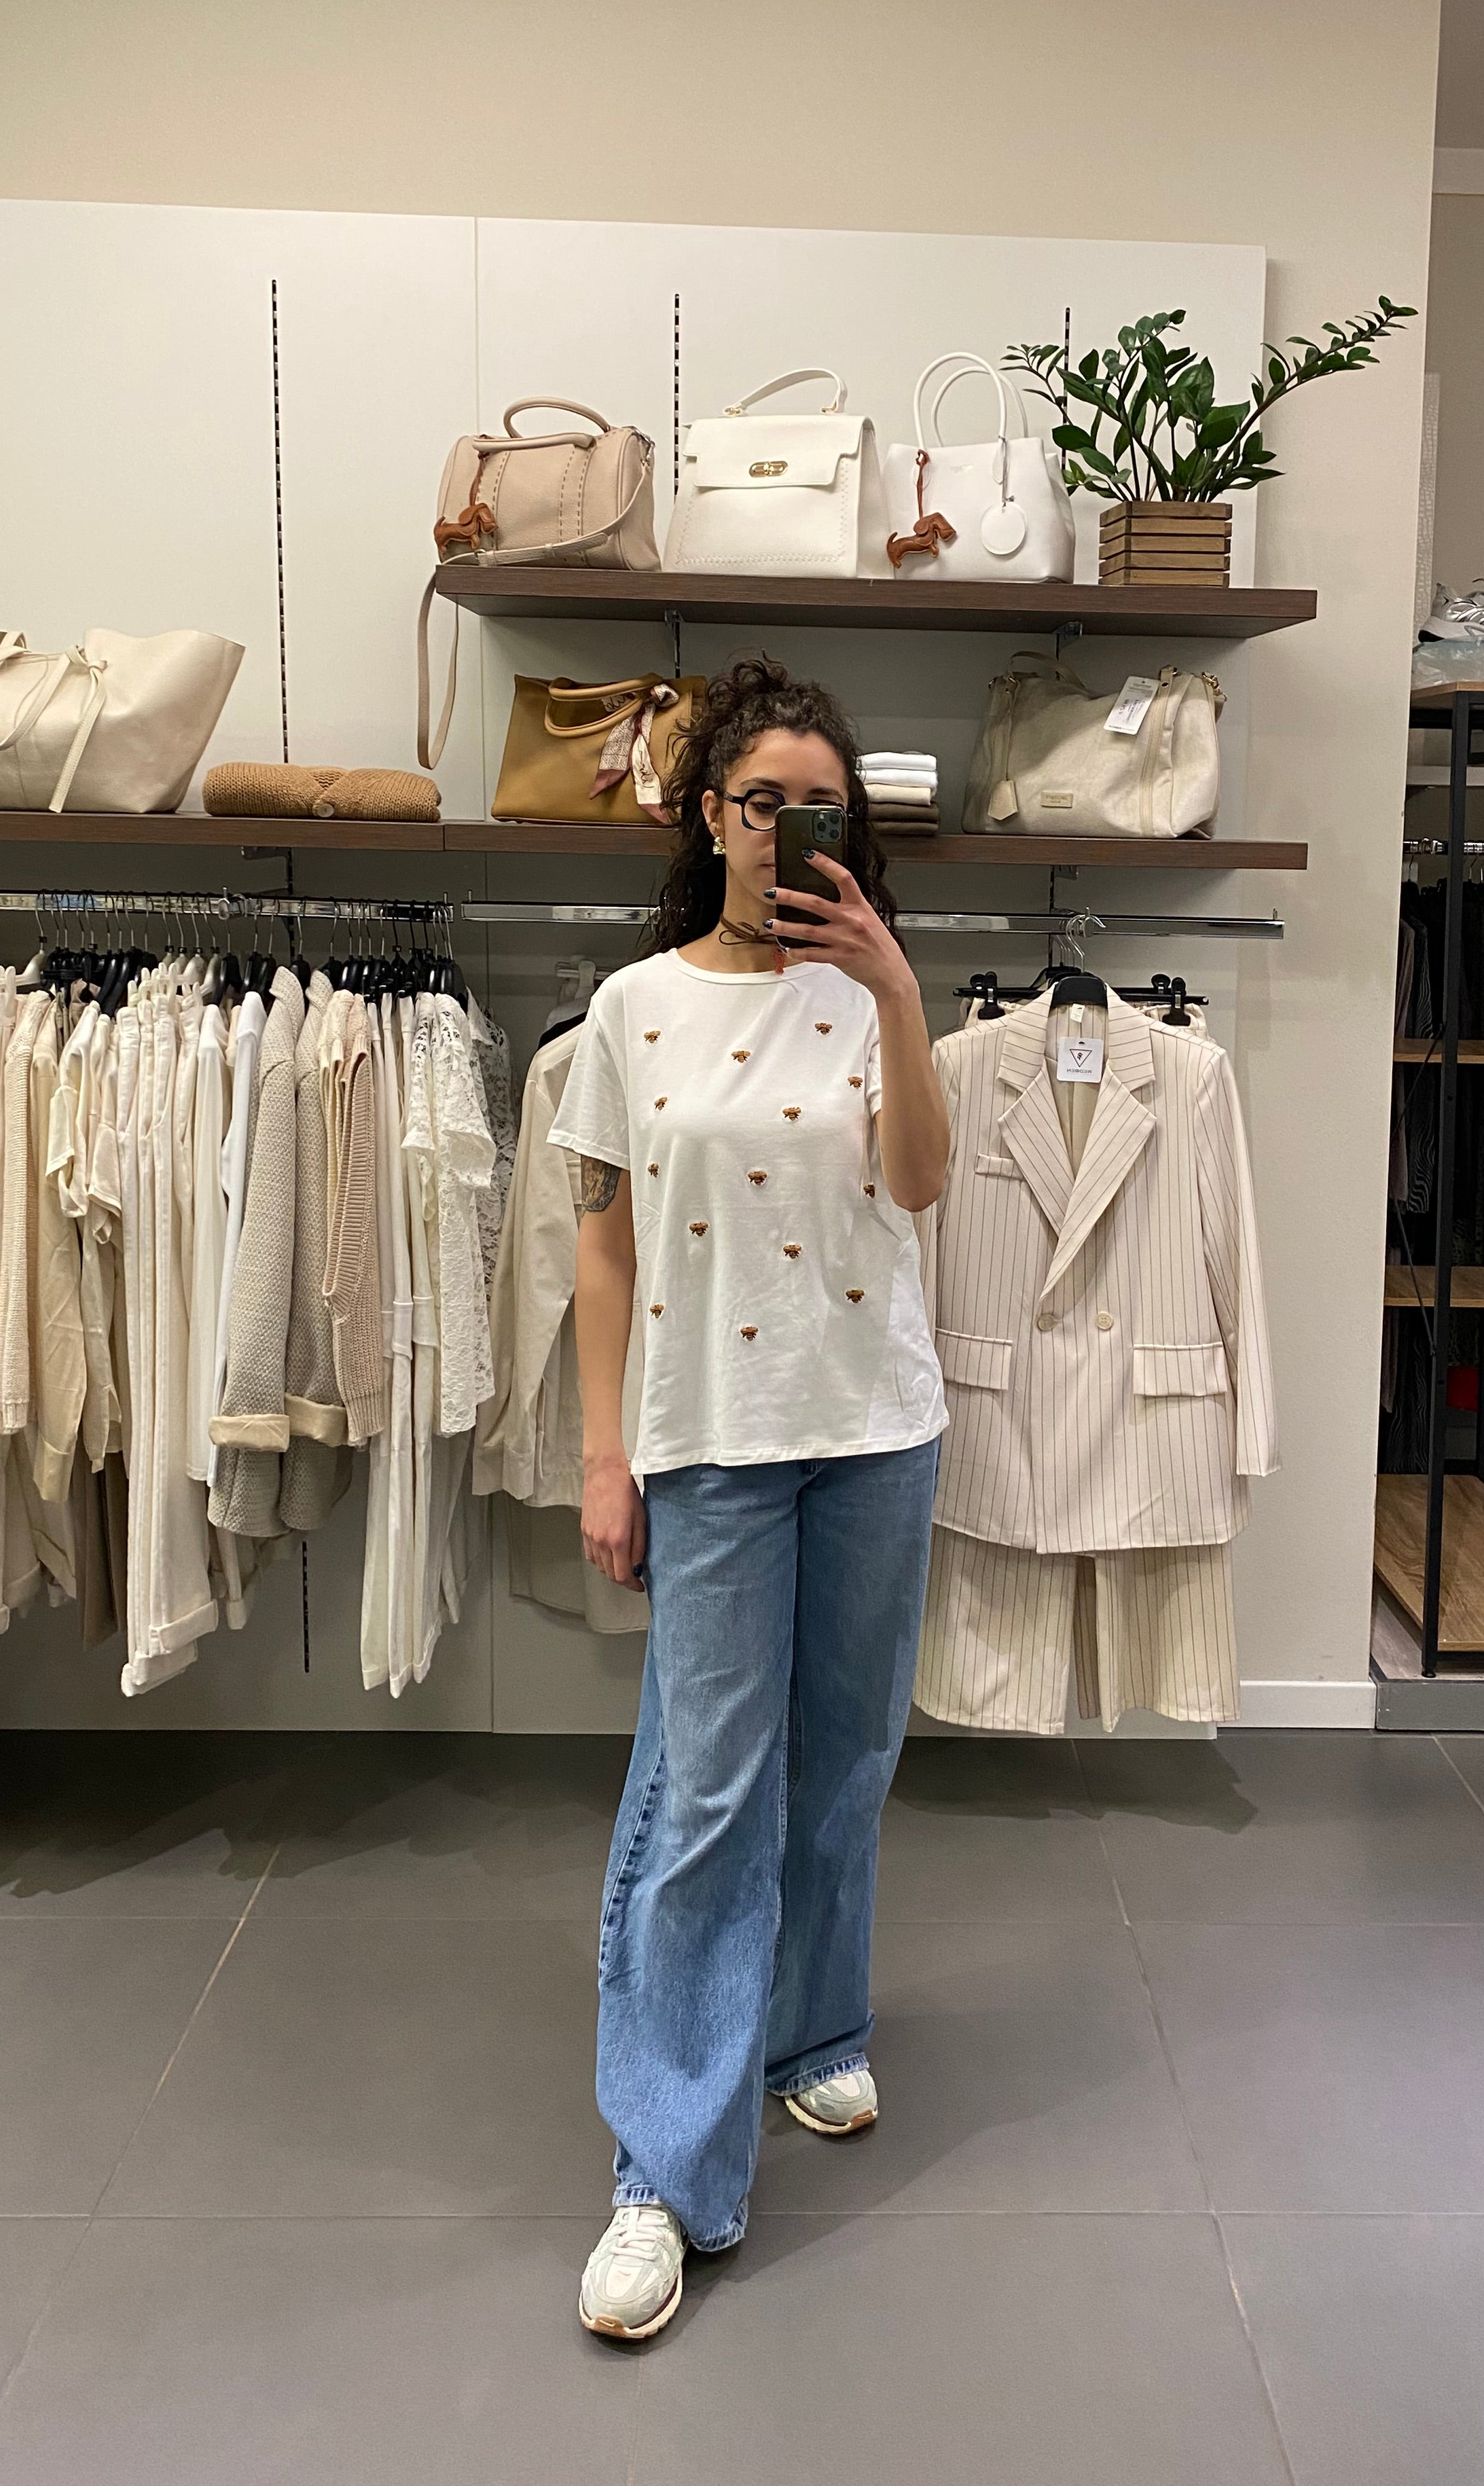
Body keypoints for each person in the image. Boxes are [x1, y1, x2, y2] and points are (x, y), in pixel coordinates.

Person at [549, 652, 949, 2341]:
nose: (789, 826)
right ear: (708, 815)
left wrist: (902, 992)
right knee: (710, 1790)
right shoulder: (630, 1010)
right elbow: (602, 1250)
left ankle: (813, 2032)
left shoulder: (872, 997)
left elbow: (919, 1183)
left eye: (819, 805)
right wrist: (603, 1453)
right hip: (711, 1434)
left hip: (874, 1426)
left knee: (846, 1758)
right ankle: (663, 2166)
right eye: (763, 800)